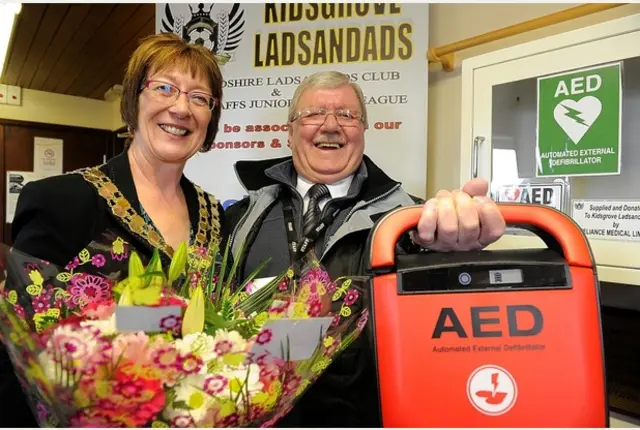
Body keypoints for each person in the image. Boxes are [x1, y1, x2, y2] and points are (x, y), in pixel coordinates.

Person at [224, 70, 506, 427]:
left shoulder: (412, 223)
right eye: (313, 114)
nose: (330, 125)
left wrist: (458, 256)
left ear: (363, 131)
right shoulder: (239, 217)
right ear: (290, 130)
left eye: (347, 115)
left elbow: (445, 329)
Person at [1, 32, 227, 427]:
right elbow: (22, 343)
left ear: (211, 117)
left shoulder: (217, 215)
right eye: (164, 88)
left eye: (199, 98)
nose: (181, 108)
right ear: (133, 100)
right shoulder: (61, 199)